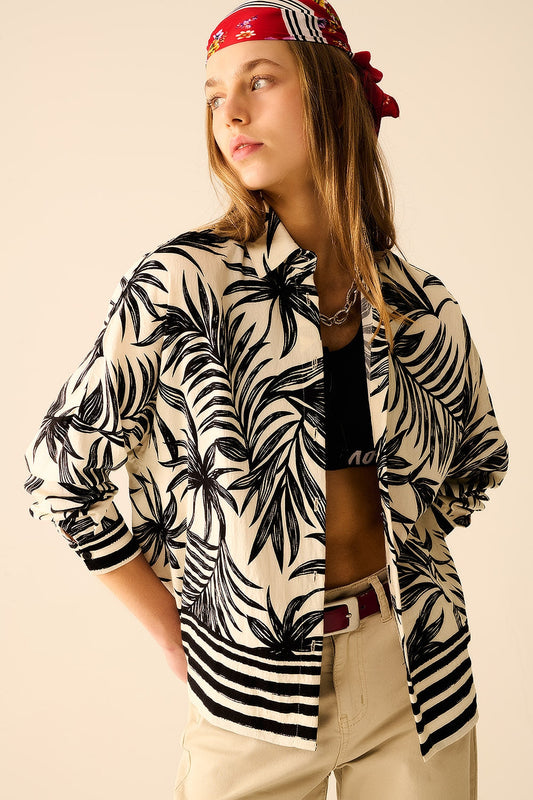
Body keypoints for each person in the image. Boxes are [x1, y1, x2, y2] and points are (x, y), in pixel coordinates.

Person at [23, 1, 509, 798]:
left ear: (329, 94)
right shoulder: (185, 282)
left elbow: (474, 465)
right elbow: (59, 476)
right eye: (215, 94)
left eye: (258, 81)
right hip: (250, 695)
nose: (232, 112)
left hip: (416, 680)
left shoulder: (419, 301)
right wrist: (179, 628)